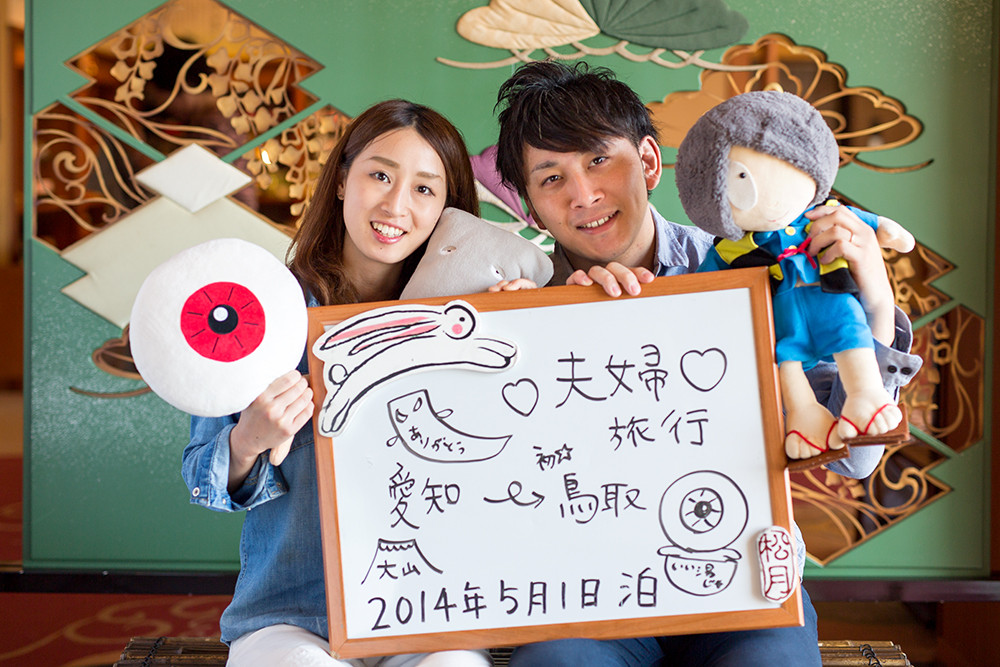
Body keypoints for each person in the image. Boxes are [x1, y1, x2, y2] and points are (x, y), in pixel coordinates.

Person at [493, 61, 921, 666]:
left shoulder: (755, 268)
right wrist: (532, 342)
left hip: (743, 584)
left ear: (648, 161)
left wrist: (873, 297)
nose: (583, 194)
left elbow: (857, 458)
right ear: (531, 207)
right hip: (592, 595)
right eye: (551, 177)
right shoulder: (521, 306)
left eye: (599, 160)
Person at [182, 99, 493, 667]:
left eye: (425, 189)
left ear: (448, 211)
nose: (395, 205)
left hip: (430, 612)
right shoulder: (263, 312)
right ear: (343, 180)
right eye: (380, 175)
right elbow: (201, 477)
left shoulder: (467, 327)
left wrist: (521, 328)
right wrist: (247, 441)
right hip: (293, 613)